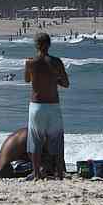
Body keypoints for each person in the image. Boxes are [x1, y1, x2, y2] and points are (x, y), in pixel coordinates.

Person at [24, 32, 69, 180]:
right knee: (56, 140)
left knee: (36, 140)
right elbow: (66, 84)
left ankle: (36, 174)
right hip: (53, 105)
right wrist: (54, 80)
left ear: (36, 45)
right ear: (49, 45)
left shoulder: (30, 62)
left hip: (36, 105)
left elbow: (26, 80)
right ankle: (60, 173)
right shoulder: (56, 62)